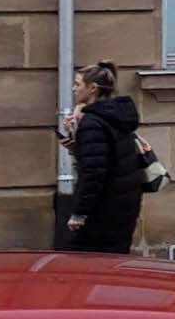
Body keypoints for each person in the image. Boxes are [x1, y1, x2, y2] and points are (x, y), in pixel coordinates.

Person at [56, 61, 145, 253]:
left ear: (93, 88)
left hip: (103, 210)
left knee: (84, 261)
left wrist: (79, 213)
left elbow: (93, 174)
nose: (73, 89)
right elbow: (105, 158)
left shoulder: (92, 122)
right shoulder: (114, 115)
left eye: (78, 84)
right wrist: (77, 145)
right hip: (122, 205)